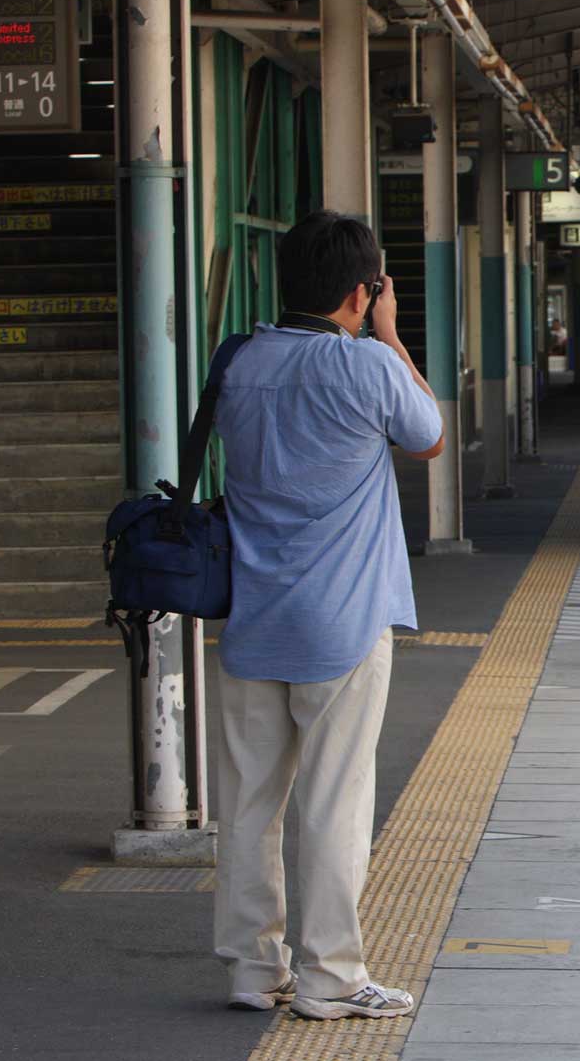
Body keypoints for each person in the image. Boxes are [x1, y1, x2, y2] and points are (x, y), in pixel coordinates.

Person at [211, 211, 444, 1021]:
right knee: (333, 804)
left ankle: (250, 968)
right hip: (341, 625)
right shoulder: (367, 368)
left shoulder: (238, 361)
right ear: (362, 289)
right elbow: (430, 436)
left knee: (248, 803)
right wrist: (388, 334)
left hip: (249, 617)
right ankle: (331, 979)